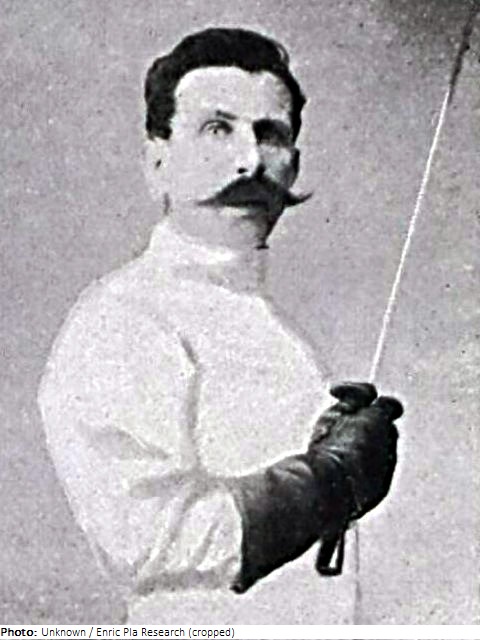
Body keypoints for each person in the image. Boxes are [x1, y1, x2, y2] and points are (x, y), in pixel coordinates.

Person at [38, 28, 402, 623]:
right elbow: (145, 538)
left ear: (293, 163)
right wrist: (326, 481)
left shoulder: (272, 324)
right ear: (158, 162)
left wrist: (318, 446)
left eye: (271, 134)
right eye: (217, 129)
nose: (249, 161)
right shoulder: (122, 317)